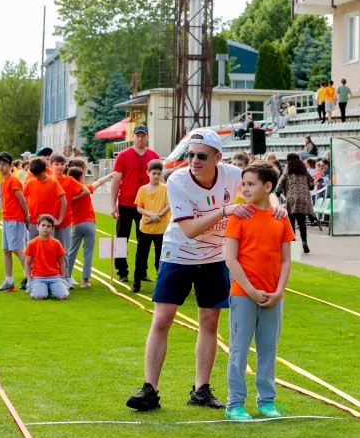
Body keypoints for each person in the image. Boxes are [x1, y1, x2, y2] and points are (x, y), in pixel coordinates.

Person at [125, 128, 285, 412]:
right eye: (190, 154)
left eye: (201, 156)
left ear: (217, 158)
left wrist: (276, 205)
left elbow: (262, 184)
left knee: (209, 322)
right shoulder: (177, 180)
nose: (194, 160)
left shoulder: (233, 174)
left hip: (213, 258)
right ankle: (150, 388)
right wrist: (225, 211)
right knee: (162, 319)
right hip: (178, 254)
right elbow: (189, 230)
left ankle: (201, 389)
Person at [223, 161, 294, 420]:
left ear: (268, 187)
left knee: (268, 350)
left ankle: (266, 402)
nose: (245, 188)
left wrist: (278, 292)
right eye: (244, 183)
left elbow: (286, 260)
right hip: (243, 295)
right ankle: (235, 404)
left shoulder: (280, 218)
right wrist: (251, 290)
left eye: (251, 184)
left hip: (274, 297)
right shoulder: (238, 216)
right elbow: (231, 259)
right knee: (239, 350)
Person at [110, 125, 160, 282]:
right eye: (137, 135)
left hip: (146, 206)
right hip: (125, 203)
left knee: (144, 240)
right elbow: (116, 180)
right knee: (121, 239)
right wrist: (113, 205)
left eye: (143, 136)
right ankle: (121, 271)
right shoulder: (123, 155)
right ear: (132, 137)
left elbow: (160, 180)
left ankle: (142, 271)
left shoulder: (153, 155)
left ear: (147, 137)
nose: (140, 138)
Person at [66, 167, 115, 289]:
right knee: (88, 252)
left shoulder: (69, 194)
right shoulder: (85, 189)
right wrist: (109, 175)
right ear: (81, 178)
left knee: (71, 252)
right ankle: (85, 281)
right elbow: (98, 182)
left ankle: (66, 276)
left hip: (76, 224)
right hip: (89, 223)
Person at [51, 152, 88, 288]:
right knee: (51, 249)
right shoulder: (49, 180)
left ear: (65, 166)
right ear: (51, 165)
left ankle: (65, 276)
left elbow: (85, 191)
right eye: (57, 164)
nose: (60, 167)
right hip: (51, 221)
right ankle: (52, 276)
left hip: (65, 220)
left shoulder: (69, 180)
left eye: (62, 164)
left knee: (64, 250)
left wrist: (71, 199)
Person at [132, 160, 171, 293]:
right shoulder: (142, 190)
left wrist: (157, 216)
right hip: (146, 228)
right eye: (153, 173)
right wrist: (150, 214)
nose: (156, 176)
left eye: (159, 174)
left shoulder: (165, 189)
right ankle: (136, 283)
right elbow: (139, 207)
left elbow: (169, 205)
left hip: (161, 229)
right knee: (141, 257)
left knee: (160, 258)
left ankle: (162, 284)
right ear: (148, 173)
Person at [0, 151, 30, 292]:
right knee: (7, 250)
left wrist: (26, 217)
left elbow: (22, 200)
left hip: (15, 219)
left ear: (10, 166)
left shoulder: (13, 180)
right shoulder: (4, 181)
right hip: (7, 218)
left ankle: (31, 277)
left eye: (3, 164)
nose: (0, 166)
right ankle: (9, 280)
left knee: (17, 249)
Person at [276, 153, 316, 253]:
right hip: (303, 199)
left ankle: (294, 247)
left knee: (292, 224)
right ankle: (304, 242)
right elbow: (312, 184)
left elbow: (279, 185)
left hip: (292, 199)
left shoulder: (287, 172)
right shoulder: (304, 172)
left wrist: (278, 193)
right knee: (302, 222)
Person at [24, 215, 69, 300]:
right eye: (43, 225)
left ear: (52, 229)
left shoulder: (56, 243)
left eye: (48, 226)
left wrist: (63, 277)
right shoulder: (32, 243)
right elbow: (27, 263)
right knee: (39, 297)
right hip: (38, 277)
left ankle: (54, 287)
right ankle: (41, 288)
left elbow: (61, 261)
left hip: (55, 277)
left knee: (63, 297)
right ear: (37, 227)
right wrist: (29, 279)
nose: (45, 228)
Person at [23, 157, 67, 240]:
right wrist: (26, 215)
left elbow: (64, 201)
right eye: (34, 175)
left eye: (39, 175)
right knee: (32, 249)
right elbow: (23, 199)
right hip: (33, 222)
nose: (36, 178)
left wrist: (60, 219)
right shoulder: (30, 182)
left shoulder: (53, 182)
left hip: (48, 222)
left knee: (48, 249)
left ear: (45, 170)